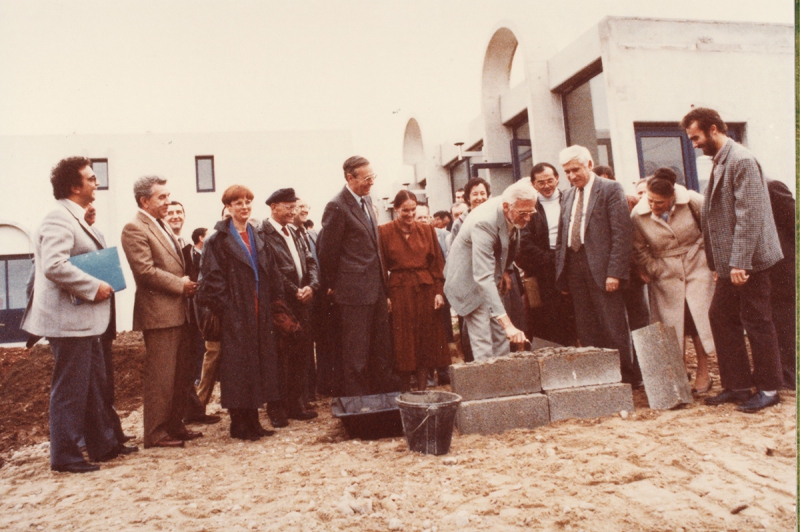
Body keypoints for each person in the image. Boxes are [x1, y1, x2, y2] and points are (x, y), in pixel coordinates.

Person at [22, 157, 135, 473]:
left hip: (83, 320)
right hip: (69, 321)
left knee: (92, 385)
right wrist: (93, 285)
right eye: (91, 178)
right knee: (71, 390)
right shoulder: (58, 218)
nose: (96, 182)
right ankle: (65, 456)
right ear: (74, 186)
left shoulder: (75, 217)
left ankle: (102, 445)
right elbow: (54, 266)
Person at [682, 108, 784, 412]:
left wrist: (740, 262)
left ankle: (768, 389)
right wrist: (718, 266)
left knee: (757, 321)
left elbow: (749, 216)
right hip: (730, 265)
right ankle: (738, 385)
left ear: (714, 129)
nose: (694, 144)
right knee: (720, 317)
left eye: (696, 137)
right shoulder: (722, 160)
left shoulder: (741, 160)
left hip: (749, 263)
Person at [196, 185, 286, 440]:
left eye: (247, 202)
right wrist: (229, 310)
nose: (244, 207)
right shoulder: (218, 239)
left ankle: (253, 421)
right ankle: (239, 423)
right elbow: (211, 280)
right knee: (237, 369)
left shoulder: (256, 236)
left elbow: (269, 271)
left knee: (256, 364)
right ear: (228, 207)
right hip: (236, 312)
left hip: (259, 309)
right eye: (238, 203)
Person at [121, 175, 201, 449]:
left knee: (180, 374)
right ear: (145, 200)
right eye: (162, 197)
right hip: (159, 315)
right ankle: (155, 434)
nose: (168, 202)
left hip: (179, 312)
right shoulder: (134, 228)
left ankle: (175, 425)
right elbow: (144, 271)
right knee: (162, 377)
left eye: (168, 196)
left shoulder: (160, 225)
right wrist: (179, 285)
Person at [554, 145, 641, 385]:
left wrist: (615, 273)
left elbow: (622, 234)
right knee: (586, 326)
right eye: (566, 172)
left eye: (575, 169)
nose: (571, 176)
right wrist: (562, 274)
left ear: (589, 165)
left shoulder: (610, 189)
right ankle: (600, 377)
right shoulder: (568, 194)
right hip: (575, 267)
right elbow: (563, 235)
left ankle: (627, 377)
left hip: (603, 270)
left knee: (613, 325)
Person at [316, 156, 397, 396]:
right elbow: (327, 252)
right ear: (350, 178)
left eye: (373, 177)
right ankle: (358, 404)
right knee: (356, 354)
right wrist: (332, 286)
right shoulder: (337, 206)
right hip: (353, 293)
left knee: (381, 349)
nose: (371, 182)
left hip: (376, 290)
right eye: (367, 178)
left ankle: (382, 400)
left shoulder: (368, 200)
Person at [631, 168, 716, 393]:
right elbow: (639, 249)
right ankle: (680, 373)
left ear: (672, 199)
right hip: (666, 276)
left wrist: (711, 260)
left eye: (660, 203)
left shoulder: (693, 201)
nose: (654, 206)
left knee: (697, 321)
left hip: (697, 267)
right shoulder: (638, 215)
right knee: (672, 326)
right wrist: (654, 268)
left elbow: (713, 228)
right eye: (650, 200)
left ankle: (704, 371)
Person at [444, 180, 534, 360]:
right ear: (507, 207)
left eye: (531, 213)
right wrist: (508, 324)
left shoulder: (512, 205)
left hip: (489, 276)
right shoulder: (484, 222)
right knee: (483, 342)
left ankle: (502, 382)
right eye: (523, 214)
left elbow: (507, 242)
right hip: (468, 283)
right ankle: (485, 384)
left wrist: (506, 270)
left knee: (500, 337)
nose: (528, 218)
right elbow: (482, 277)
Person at [260, 188, 320, 426]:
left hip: (302, 302)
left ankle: (296, 403)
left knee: (300, 354)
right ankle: (277, 408)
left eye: (294, 206)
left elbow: (310, 261)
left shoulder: (295, 233)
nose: (293, 211)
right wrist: (294, 290)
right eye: (288, 206)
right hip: (281, 304)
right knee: (278, 356)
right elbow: (270, 270)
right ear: (273, 207)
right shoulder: (262, 234)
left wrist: (311, 286)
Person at [379, 191, 450, 390]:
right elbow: (381, 266)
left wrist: (438, 291)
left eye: (412, 210)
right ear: (396, 209)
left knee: (425, 338)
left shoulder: (427, 230)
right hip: (399, 290)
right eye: (405, 211)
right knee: (403, 340)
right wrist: (385, 296)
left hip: (425, 288)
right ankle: (404, 387)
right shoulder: (384, 232)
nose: (409, 214)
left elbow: (437, 263)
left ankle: (422, 387)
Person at [84, 203, 134, 446]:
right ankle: (96, 439)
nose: (92, 207)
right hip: (83, 326)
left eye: (93, 205)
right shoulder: (67, 237)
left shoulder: (98, 237)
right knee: (91, 385)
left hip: (103, 326)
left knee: (105, 383)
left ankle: (112, 434)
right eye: (85, 205)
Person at [516, 163, 577, 346]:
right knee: (546, 318)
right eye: (541, 182)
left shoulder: (570, 199)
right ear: (533, 184)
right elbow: (524, 242)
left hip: (570, 265)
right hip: (543, 270)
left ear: (557, 178)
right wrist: (551, 259)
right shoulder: (530, 205)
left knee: (573, 316)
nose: (547, 186)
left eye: (550, 180)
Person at [765, 179, 796, 390]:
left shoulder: (772, 187)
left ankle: (790, 374)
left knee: (785, 320)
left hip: (783, 267)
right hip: (763, 270)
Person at [448, 177, 490, 245]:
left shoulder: (494, 218)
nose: (479, 198)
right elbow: (453, 251)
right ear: (468, 198)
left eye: (482, 193)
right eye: (475, 194)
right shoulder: (459, 223)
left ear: (487, 196)